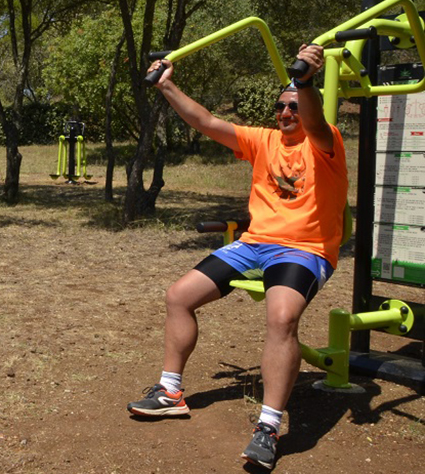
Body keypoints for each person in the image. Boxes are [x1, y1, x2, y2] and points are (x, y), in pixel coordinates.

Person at [127, 44, 347, 471]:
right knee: (179, 296)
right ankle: (170, 392)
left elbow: (317, 121)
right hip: (254, 244)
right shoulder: (262, 140)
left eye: (293, 106)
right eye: (280, 107)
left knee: (281, 318)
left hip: (305, 249)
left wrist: (304, 83)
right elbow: (205, 121)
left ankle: (268, 426)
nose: (286, 113)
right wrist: (166, 85)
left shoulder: (326, 143)